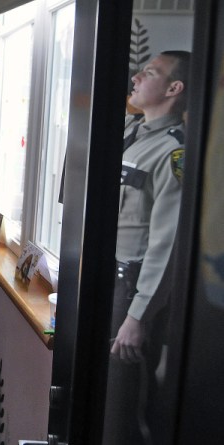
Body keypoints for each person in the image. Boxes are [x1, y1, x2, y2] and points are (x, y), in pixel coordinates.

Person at [105, 50, 190, 445]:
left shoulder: (174, 151)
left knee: (124, 404)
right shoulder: (131, 132)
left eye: (150, 73)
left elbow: (167, 244)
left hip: (131, 289)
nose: (137, 78)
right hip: (107, 280)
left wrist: (138, 316)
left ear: (174, 89)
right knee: (101, 397)